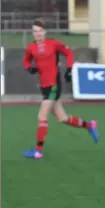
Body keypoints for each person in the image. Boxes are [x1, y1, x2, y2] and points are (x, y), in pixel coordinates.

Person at [22, 18, 98, 159]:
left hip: (54, 84)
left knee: (42, 116)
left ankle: (38, 151)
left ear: (45, 32)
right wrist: (29, 68)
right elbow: (25, 60)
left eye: (40, 31)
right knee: (63, 118)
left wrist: (69, 69)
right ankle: (89, 125)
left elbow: (68, 53)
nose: (38, 34)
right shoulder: (31, 47)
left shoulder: (54, 44)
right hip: (44, 85)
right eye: (35, 31)